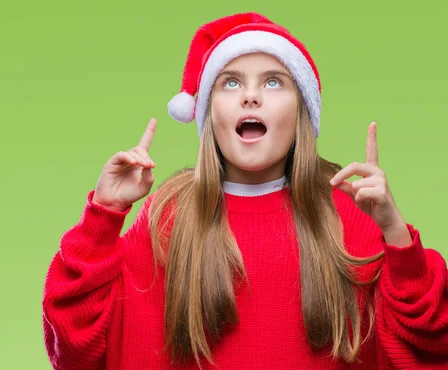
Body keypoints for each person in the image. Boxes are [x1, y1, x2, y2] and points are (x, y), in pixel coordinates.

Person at [41, 12, 448, 369]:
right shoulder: (168, 218)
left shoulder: (346, 214)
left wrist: (395, 236)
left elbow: (429, 344)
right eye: (231, 83)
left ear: (301, 112)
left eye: (273, 82)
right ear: (209, 113)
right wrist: (104, 215)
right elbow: (74, 345)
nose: (250, 96)